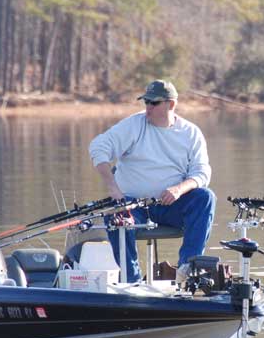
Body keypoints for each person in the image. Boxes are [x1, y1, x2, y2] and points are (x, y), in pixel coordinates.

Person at [89, 79, 214, 284]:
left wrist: (179, 189)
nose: (148, 108)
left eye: (153, 103)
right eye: (146, 102)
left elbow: (202, 172)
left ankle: (188, 268)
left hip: (171, 206)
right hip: (132, 206)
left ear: (171, 104)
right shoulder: (133, 125)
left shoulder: (191, 133)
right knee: (116, 212)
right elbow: (98, 147)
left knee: (205, 197)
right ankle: (132, 281)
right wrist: (113, 187)